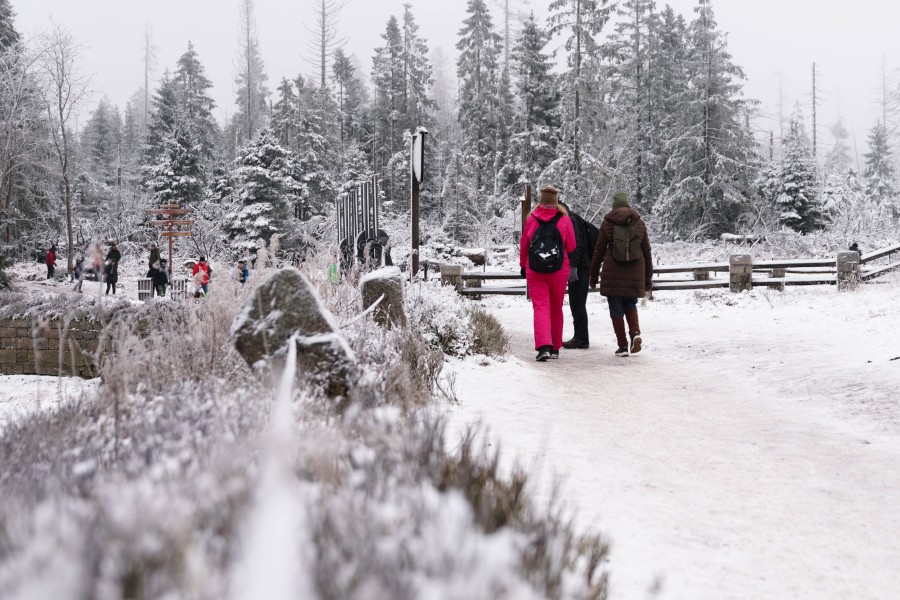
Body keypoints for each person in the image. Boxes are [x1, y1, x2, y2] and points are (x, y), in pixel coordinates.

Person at [589, 192, 653, 357]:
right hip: (635, 273)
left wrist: (593, 275)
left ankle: (623, 346)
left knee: (616, 309)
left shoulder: (608, 223)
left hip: (613, 273)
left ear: (614, 206)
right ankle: (635, 333)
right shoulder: (639, 222)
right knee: (630, 305)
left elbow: (599, 251)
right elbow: (647, 252)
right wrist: (648, 280)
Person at [520, 185, 576, 362]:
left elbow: (524, 245)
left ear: (540, 200)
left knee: (541, 307)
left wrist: (523, 266)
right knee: (556, 308)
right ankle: (555, 347)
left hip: (535, 270)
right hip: (559, 270)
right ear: (556, 201)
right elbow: (572, 246)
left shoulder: (531, 219)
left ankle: (544, 346)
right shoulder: (565, 219)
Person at [560, 203, 599, 350]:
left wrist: (573, 267)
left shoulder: (571, 220)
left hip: (580, 267)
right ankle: (580, 337)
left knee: (577, 302)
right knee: (577, 302)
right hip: (582, 265)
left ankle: (581, 338)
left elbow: (576, 245)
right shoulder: (574, 219)